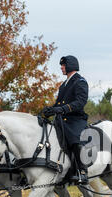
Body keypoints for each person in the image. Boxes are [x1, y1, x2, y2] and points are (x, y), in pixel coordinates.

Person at [41, 55, 89, 183]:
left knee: (75, 140)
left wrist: (62, 109)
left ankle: (82, 171)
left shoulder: (80, 82)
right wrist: (50, 110)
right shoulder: (63, 86)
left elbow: (80, 102)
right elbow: (59, 104)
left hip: (75, 120)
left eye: (63, 65)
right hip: (62, 120)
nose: (61, 68)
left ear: (70, 66)